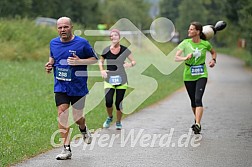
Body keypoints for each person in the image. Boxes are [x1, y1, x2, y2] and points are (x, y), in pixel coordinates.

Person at [45, 17, 98, 160]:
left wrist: (79, 61)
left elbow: (95, 59)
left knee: (77, 117)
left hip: (78, 85)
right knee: (62, 113)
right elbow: (52, 57)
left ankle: (83, 129)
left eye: (65, 27)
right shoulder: (53, 43)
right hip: (61, 85)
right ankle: (66, 149)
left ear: (71, 27)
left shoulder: (82, 43)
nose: (62, 30)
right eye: (60, 27)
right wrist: (50, 64)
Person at [175, 21, 217, 134]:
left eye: (192, 29)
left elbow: (213, 52)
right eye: (189, 29)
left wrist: (213, 60)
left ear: (198, 32)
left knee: (198, 99)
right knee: (193, 102)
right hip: (188, 75)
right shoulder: (185, 43)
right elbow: (176, 57)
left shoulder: (205, 44)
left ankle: (197, 124)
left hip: (201, 74)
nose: (189, 31)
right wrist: (185, 58)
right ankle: (197, 121)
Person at [99, 29, 136, 130]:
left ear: (119, 37)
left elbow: (133, 61)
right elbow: (100, 61)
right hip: (109, 79)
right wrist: (102, 70)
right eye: (111, 36)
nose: (113, 37)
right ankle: (110, 117)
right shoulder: (106, 50)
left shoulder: (125, 50)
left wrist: (130, 64)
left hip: (121, 79)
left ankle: (118, 122)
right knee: (108, 101)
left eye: (115, 35)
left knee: (118, 102)